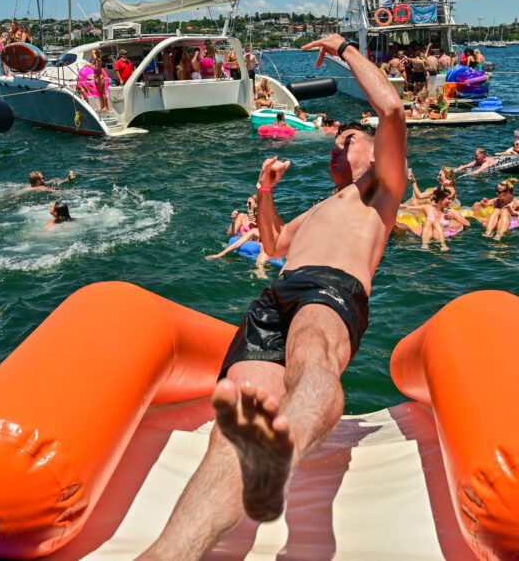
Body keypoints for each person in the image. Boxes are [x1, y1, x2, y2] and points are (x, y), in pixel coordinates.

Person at [139, 34, 406, 559]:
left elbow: (392, 107)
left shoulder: (382, 189)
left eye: (349, 138)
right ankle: (170, 553)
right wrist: (265, 192)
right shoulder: (320, 208)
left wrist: (346, 50)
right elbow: (275, 243)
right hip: (277, 293)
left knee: (312, 354)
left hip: (332, 287)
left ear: (374, 151)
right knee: (232, 424)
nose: (338, 145)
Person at [418, 186, 469, 251]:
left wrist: (453, 218)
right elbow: (408, 207)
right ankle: (425, 245)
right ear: (441, 199)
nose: (450, 201)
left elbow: (467, 224)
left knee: (435, 223)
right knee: (428, 222)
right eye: (448, 199)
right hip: (428, 236)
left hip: (443, 236)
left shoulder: (451, 211)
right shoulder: (429, 209)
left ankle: (443, 245)